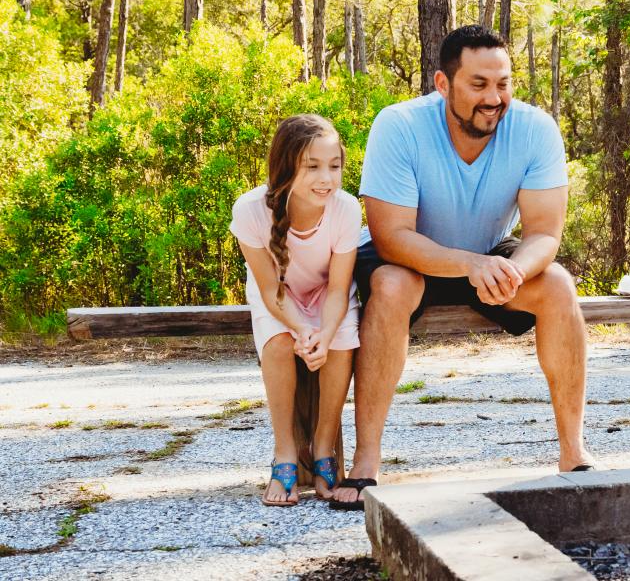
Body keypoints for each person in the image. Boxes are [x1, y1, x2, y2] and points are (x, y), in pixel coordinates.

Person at [330, 25, 592, 509]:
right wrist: (470, 264)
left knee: (557, 283)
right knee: (389, 285)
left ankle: (574, 454)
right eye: (479, 84)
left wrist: (511, 271)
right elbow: (391, 235)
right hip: (410, 258)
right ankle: (366, 460)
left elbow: (543, 235)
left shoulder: (536, 130)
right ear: (443, 84)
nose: (494, 98)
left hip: (490, 254)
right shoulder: (399, 124)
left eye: (504, 83)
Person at [229, 114, 360, 506]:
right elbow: (271, 289)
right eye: (313, 167)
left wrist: (321, 332)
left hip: (326, 295)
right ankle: (284, 451)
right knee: (280, 344)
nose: (327, 178)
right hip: (279, 298)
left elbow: (338, 288)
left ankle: (324, 447)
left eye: (334, 166)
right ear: (287, 166)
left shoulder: (347, 209)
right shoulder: (250, 210)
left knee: (339, 342)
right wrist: (301, 329)